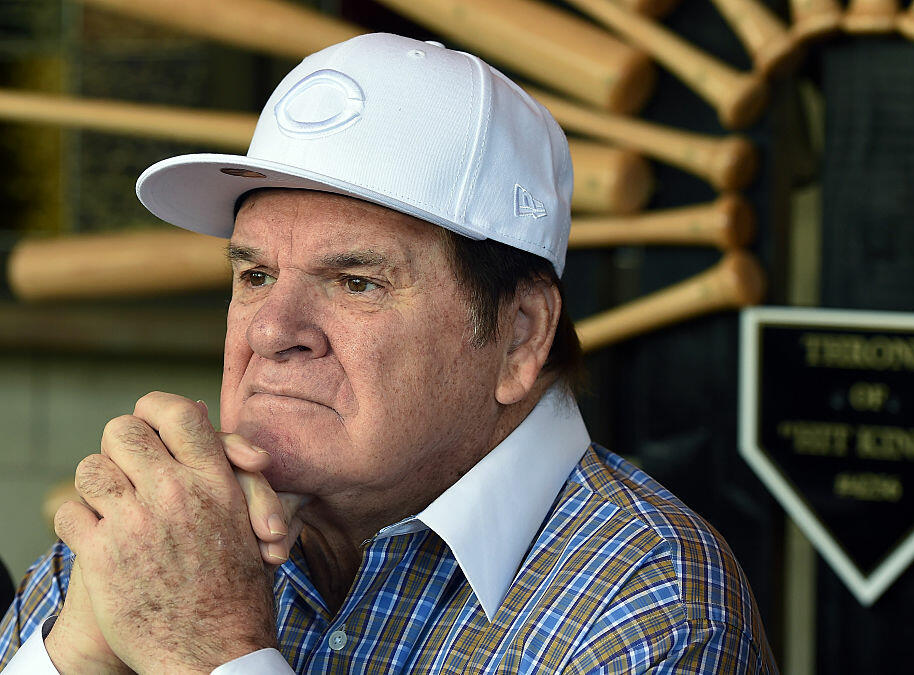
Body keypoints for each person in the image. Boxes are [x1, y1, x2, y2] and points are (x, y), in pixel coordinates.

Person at [0, 33, 776, 673]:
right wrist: (75, 654)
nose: (272, 330)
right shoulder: (162, 528)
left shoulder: (651, 612)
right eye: (255, 274)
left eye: (357, 282)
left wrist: (209, 652)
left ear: (520, 336)